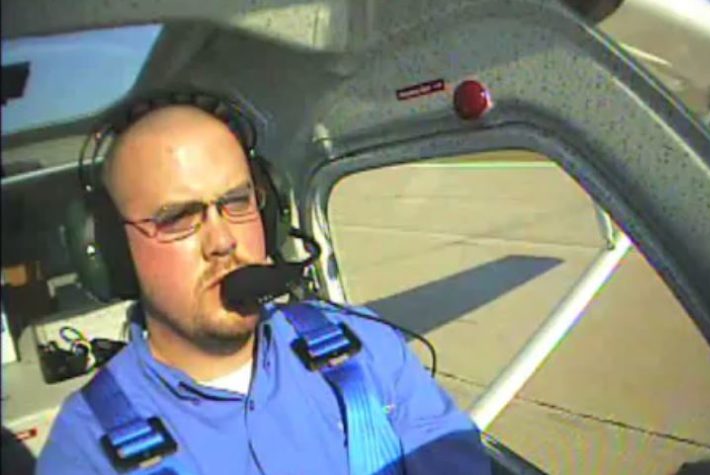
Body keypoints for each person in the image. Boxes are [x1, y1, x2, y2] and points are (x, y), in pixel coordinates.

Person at [36, 101, 491, 474]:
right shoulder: (86, 449)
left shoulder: (362, 345)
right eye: (177, 218)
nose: (222, 241)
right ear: (113, 252)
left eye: (236, 202)